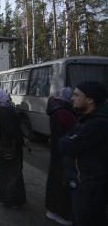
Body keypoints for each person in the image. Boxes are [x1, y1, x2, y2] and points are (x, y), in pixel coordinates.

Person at [60, 81, 108, 226]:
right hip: (83, 185)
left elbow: (66, 145)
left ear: (90, 99)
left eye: (76, 95)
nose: (72, 98)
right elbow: (67, 139)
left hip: (89, 188)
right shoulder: (86, 118)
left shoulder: (97, 123)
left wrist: (68, 140)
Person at [45, 87, 77, 225]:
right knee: (61, 182)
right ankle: (61, 212)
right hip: (63, 152)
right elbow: (75, 128)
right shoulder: (64, 112)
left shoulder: (55, 107)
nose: (73, 99)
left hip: (57, 151)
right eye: (72, 96)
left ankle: (52, 209)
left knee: (55, 180)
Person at [0, 89, 26, 208]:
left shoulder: (1, 111)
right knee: (11, 175)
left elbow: (11, 131)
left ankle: (7, 199)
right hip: (8, 148)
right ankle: (12, 201)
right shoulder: (5, 111)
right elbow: (14, 131)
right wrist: (21, 141)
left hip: (5, 148)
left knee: (7, 175)